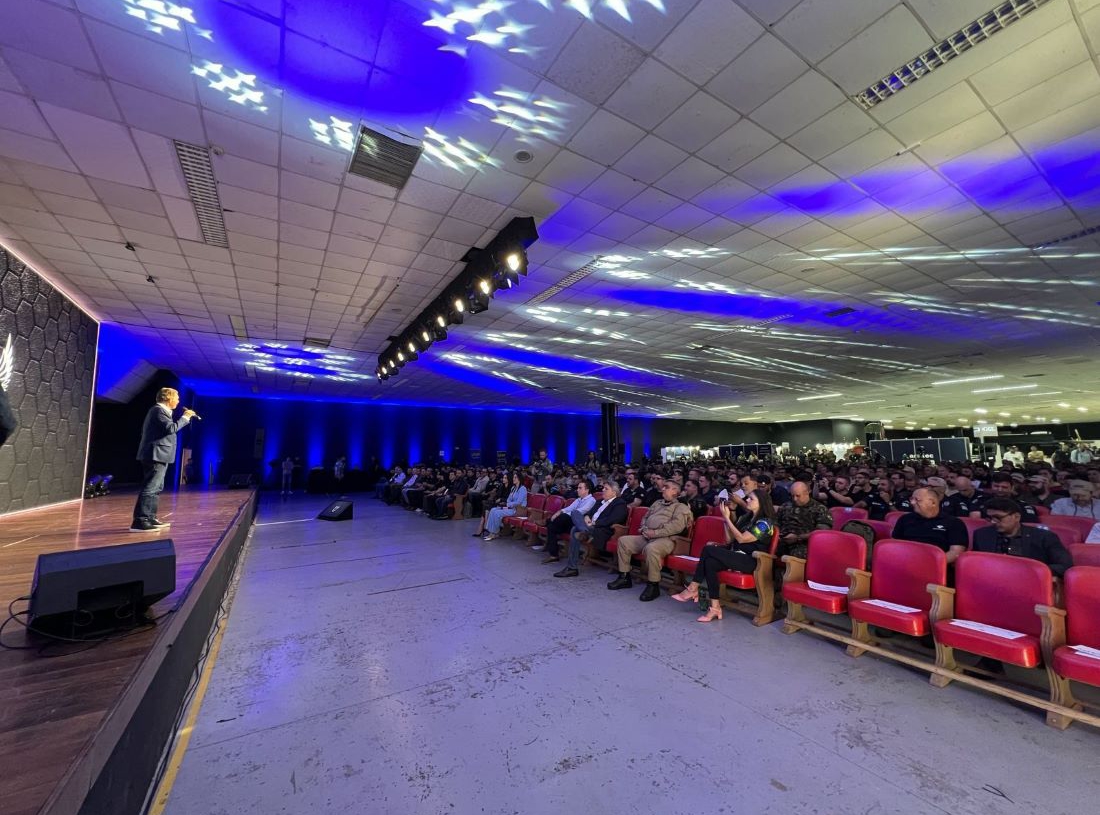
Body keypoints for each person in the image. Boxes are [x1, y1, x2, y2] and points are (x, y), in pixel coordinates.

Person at [670, 489, 777, 622]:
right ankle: (715, 608)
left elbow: (742, 539)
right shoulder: (746, 518)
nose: (747, 500)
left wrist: (727, 517)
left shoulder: (765, 523)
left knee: (709, 550)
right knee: (710, 563)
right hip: (736, 555)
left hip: (752, 560)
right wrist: (726, 520)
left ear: (761, 502)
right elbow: (729, 540)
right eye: (748, 498)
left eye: (751, 499)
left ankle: (693, 587)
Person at [608, 481, 692, 601]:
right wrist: (644, 529)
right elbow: (645, 517)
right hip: (647, 536)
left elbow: (675, 527)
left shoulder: (681, 507)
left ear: (675, 491)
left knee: (651, 549)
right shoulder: (657, 503)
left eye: (666, 487)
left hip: (666, 539)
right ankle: (624, 577)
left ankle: (653, 585)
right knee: (623, 541)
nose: (663, 489)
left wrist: (655, 533)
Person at [132, 387, 195, 532]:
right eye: (177, 398)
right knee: (150, 487)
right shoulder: (158, 410)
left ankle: (150, 517)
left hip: (160, 454)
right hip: (155, 454)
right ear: (168, 398)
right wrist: (185, 418)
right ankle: (140, 520)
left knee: (157, 488)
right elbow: (170, 429)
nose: (178, 401)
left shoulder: (164, 411)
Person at [971, 498, 1072, 577]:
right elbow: (975, 563)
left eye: (998, 518)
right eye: (990, 518)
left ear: (1016, 517)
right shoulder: (981, 535)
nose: (993, 522)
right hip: (990, 580)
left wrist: (1028, 570)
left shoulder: (1044, 537)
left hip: (1030, 582)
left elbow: (1064, 565)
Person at [554, 481, 629, 577]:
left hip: (601, 530)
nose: (603, 490)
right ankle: (584, 530)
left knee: (574, 529)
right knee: (575, 513)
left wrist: (594, 523)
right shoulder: (599, 502)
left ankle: (572, 568)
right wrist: (586, 517)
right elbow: (589, 513)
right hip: (588, 526)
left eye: (606, 489)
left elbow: (613, 519)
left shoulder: (620, 503)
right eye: (603, 488)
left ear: (614, 492)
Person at [892, 488, 967, 565]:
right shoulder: (905, 519)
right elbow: (895, 544)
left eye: (917, 500)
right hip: (906, 562)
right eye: (911, 499)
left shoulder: (954, 523)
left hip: (936, 565)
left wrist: (930, 563)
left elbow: (955, 552)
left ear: (933, 502)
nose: (912, 502)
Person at [538, 480, 595, 561]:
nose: (577, 490)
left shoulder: (591, 500)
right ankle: (554, 555)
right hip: (567, 522)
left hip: (577, 525)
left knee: (562, 517)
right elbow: (569, 508)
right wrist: (559, 512)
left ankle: (546, 521)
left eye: (580, 488)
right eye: (578, 488)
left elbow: (579, 512)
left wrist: (561, 514)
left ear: (587, 490)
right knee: (551, 527)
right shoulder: (579, 499)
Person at [776, 481, 833, 559]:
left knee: (797, 555)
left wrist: (798, 538)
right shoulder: (785, 506)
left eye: (798, 496)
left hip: (804, 543)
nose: (795, 499)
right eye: (792, 496)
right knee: (763, 546)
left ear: (807, 493)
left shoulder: (819, 509)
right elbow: (776, 523)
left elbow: (821, 533)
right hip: (783, 540)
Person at [481, 472, 527, 540]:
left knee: (497, 513)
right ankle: (491, 532)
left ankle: (494, 533)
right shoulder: (513, 488)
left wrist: (509, 504)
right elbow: (508, 499)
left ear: (519, 479)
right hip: (511, 508)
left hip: (518, 510)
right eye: (513, 477)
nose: (513, 479)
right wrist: (508, 504)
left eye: (515, 477)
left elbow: (519, 502)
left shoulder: (523, 489)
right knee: (493, 510)